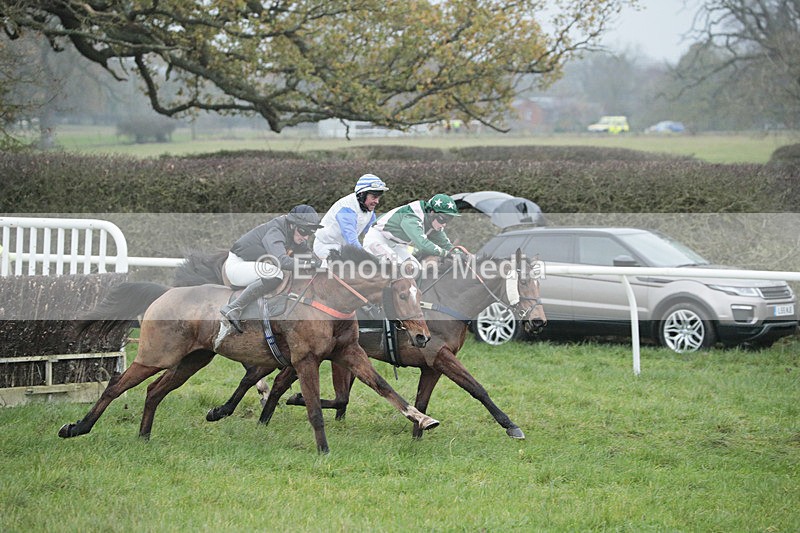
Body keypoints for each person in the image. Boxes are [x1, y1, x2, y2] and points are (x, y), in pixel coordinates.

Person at [220, 204, 323, 333]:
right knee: (276, 274)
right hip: (237, 265)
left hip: (255, 264)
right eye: (303, 231)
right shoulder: (276, 230)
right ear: (292, 225)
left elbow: (308, 255)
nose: (306, 237)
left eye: (310, 233)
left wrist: (323, 264)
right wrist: (311, 264)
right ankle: (233, 308)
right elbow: (282, 261)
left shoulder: (294, 235)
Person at [363, 193, 463, 269]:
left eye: (449, 220)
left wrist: (461, 254)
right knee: (401, 270)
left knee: (417, 269)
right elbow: (423, 245)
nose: (444, 224)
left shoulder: (432, 221)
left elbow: (446, 245)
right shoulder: (412, 216)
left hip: (397, 246)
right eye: (443, 219)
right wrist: (447, 254)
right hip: (377, 241)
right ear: (432, 212)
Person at [313, 174, 389, 259]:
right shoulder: (346, 209)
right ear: (362, 194)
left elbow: (373, 235)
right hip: (326, 246)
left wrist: (385, 252)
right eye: (374, 197)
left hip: (343, 247)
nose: (377, 201)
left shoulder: (368, 207)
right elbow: (352, 241)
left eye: (378, 198)